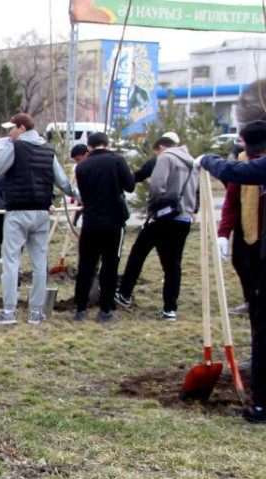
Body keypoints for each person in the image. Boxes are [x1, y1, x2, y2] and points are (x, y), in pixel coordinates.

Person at [198, 124, 266, 424]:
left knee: (264, 327)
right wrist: (225, 232)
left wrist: (206, 160)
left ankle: (262, 405)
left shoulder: (254, 166)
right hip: (251, 248)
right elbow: (234, 194)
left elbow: (235, 172)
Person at [0, 113, 80, 325]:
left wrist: (3, 146)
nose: (9, 132)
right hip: (42, 212)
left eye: (11, 128)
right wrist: (81, 197)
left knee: (11, 262)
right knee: (40, 264)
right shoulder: (48, 150)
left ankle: (9, 312)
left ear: (21, 128)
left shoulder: (14, 147)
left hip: (18, 211)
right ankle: (36, 312)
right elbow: (63, 182)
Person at [114, 135, 197, 321]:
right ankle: (170, 309)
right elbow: (196, 191)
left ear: (160, 147)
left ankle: (124, 294)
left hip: (162, 218)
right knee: (172, 265)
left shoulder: (165, 158)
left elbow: (157, 186)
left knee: (138, 253)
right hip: (183, 219)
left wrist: (151, 208)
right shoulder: (191, 162)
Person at [72, 132, 135, 323]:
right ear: (107, 144)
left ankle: (80, 310)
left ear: (89, 147)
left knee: (86, 266)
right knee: (110, 266)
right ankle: (105, 310)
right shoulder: (117, 161)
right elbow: (130, 186)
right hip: (113, 224)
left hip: (90, 223)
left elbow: (83, 193)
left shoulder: (82, 166)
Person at [217, 120, 266, 317]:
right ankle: (250, 298)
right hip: (247, 223)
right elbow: (231, 201)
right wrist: (223, 233)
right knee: (240, 261)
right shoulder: (243, 163)